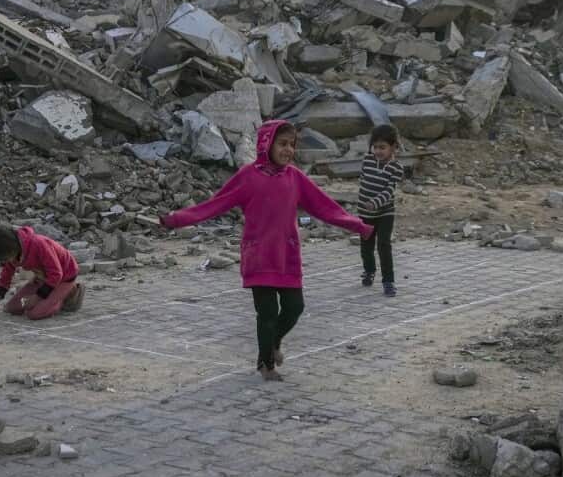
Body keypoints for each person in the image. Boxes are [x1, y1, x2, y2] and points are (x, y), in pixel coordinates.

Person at [160, 120, 374, 381]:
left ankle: (273, 343)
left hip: (287, 256)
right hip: (259, 256)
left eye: (292, 145)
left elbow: (325, 207)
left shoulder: (295, 178)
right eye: (282, 144)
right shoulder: (248, 177)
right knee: (268, 313)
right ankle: (266, 364)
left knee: (295, 307)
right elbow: (214, 205)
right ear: (266, 144)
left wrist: (358, 226)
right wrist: (177, 219)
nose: (288, 150)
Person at [0, 225, 84, 321]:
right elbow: (6, 276)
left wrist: (36, 298)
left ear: (11, 250)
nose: (3, 262)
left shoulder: (38, 244)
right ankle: (48, 296)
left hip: (64, 277)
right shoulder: (14, 254)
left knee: (34, 314)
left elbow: (56, 273)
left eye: (3, 259)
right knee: (12, 308)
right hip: (43, 278)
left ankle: (71, 292)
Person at [356, 124, 406, 297]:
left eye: (382, 147)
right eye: (375, 147)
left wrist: (375, 202)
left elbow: (389, 190)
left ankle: (388, 281)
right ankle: (369, 271)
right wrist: (363, 204)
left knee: (384, 245)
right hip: (365, 213)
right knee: (366, 246)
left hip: (385, 212)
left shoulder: (396, 168)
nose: (378, 151)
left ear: (393, 147)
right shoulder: (367, 161)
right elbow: (363, 182)